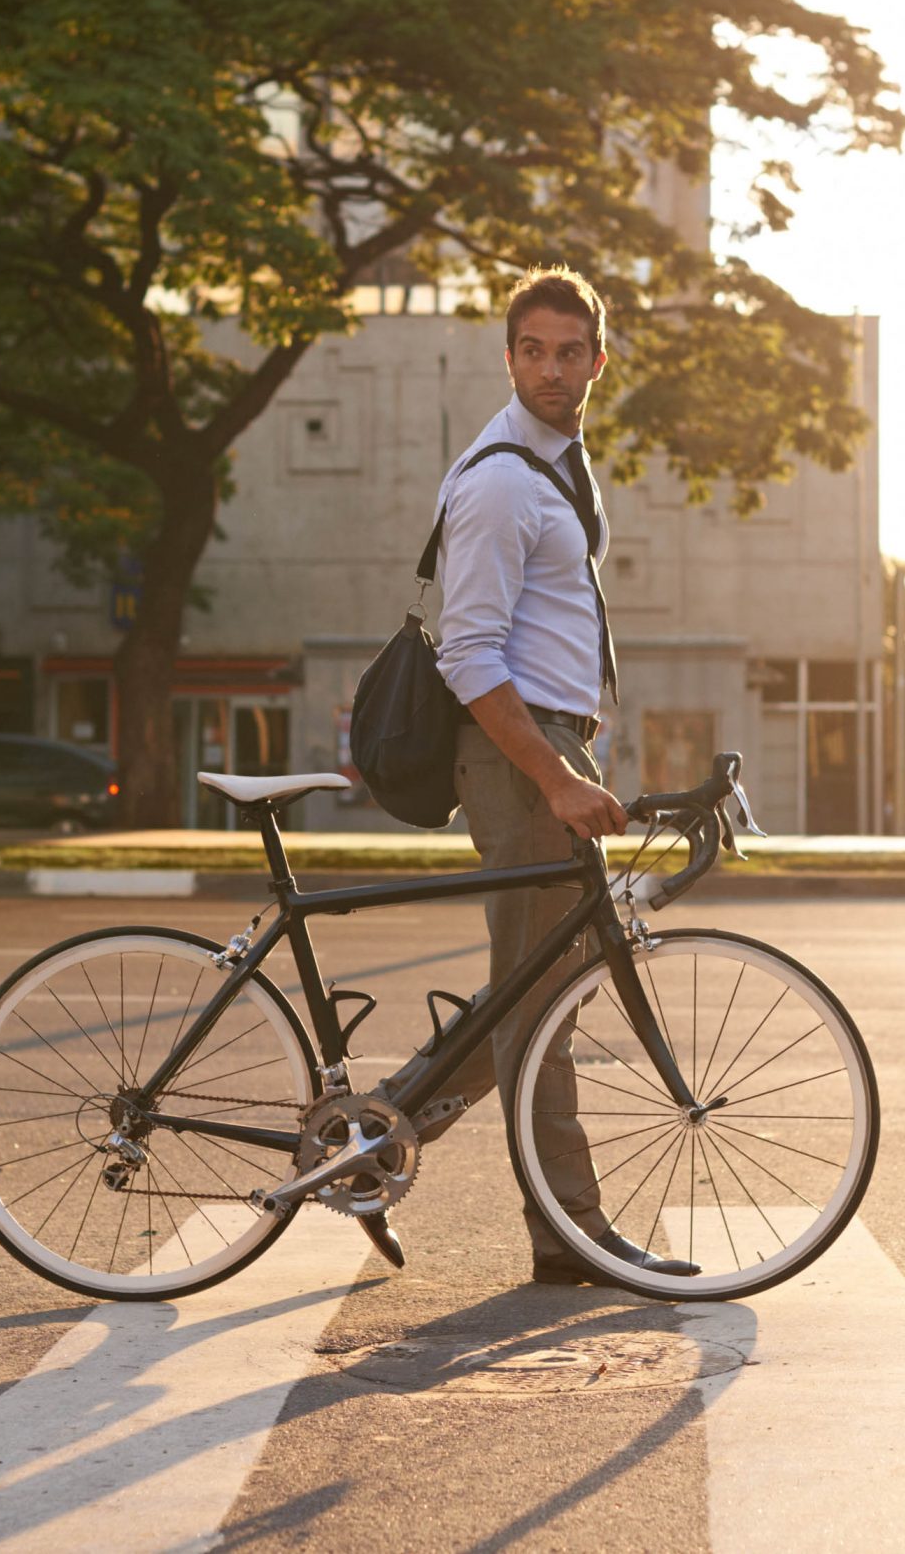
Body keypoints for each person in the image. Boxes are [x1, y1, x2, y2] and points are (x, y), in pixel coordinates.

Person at [372, 265, 698, 1286]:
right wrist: (555, 777)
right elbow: (469, 656)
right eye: (532, 351)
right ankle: (570, 1234)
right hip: (520, 760)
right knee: (541, 1008)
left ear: (599, 361)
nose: (551, 369)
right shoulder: (503, 480)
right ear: (507, 356)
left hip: (551, 747)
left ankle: (376, 1132)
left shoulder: (557, 462)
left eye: (570, 352)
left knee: (537, 984)